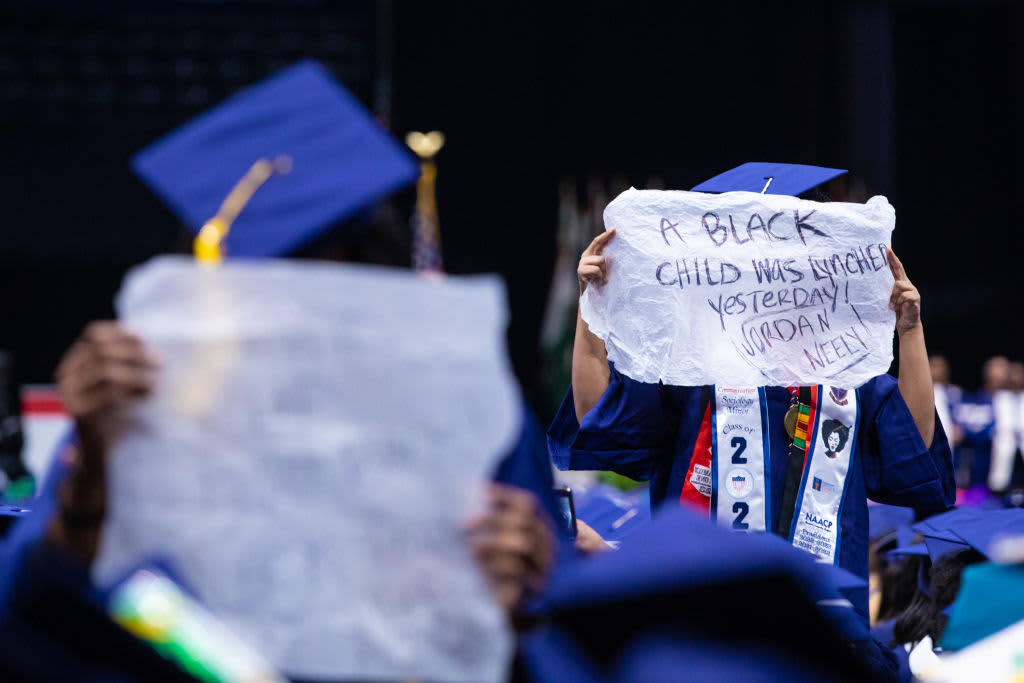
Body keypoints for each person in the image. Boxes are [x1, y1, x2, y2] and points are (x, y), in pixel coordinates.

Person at [548, 164, 955, 626]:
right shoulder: (688, 366)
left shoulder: (847, 372)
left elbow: (914, 444)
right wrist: (593, 305)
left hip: (823, 616)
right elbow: (597, 416)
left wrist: (910, 329)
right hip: (697, 610)